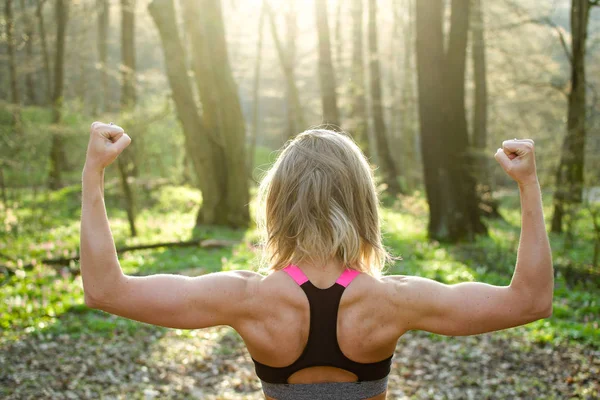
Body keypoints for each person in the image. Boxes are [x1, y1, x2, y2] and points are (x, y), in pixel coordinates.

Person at [80, 122, 553, 400]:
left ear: (277, 205)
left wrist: (93, 174)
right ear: (363, 203)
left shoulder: (247, 298)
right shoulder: (393, 301)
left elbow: (106, 290)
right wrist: (528, 185)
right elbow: (530, 301)